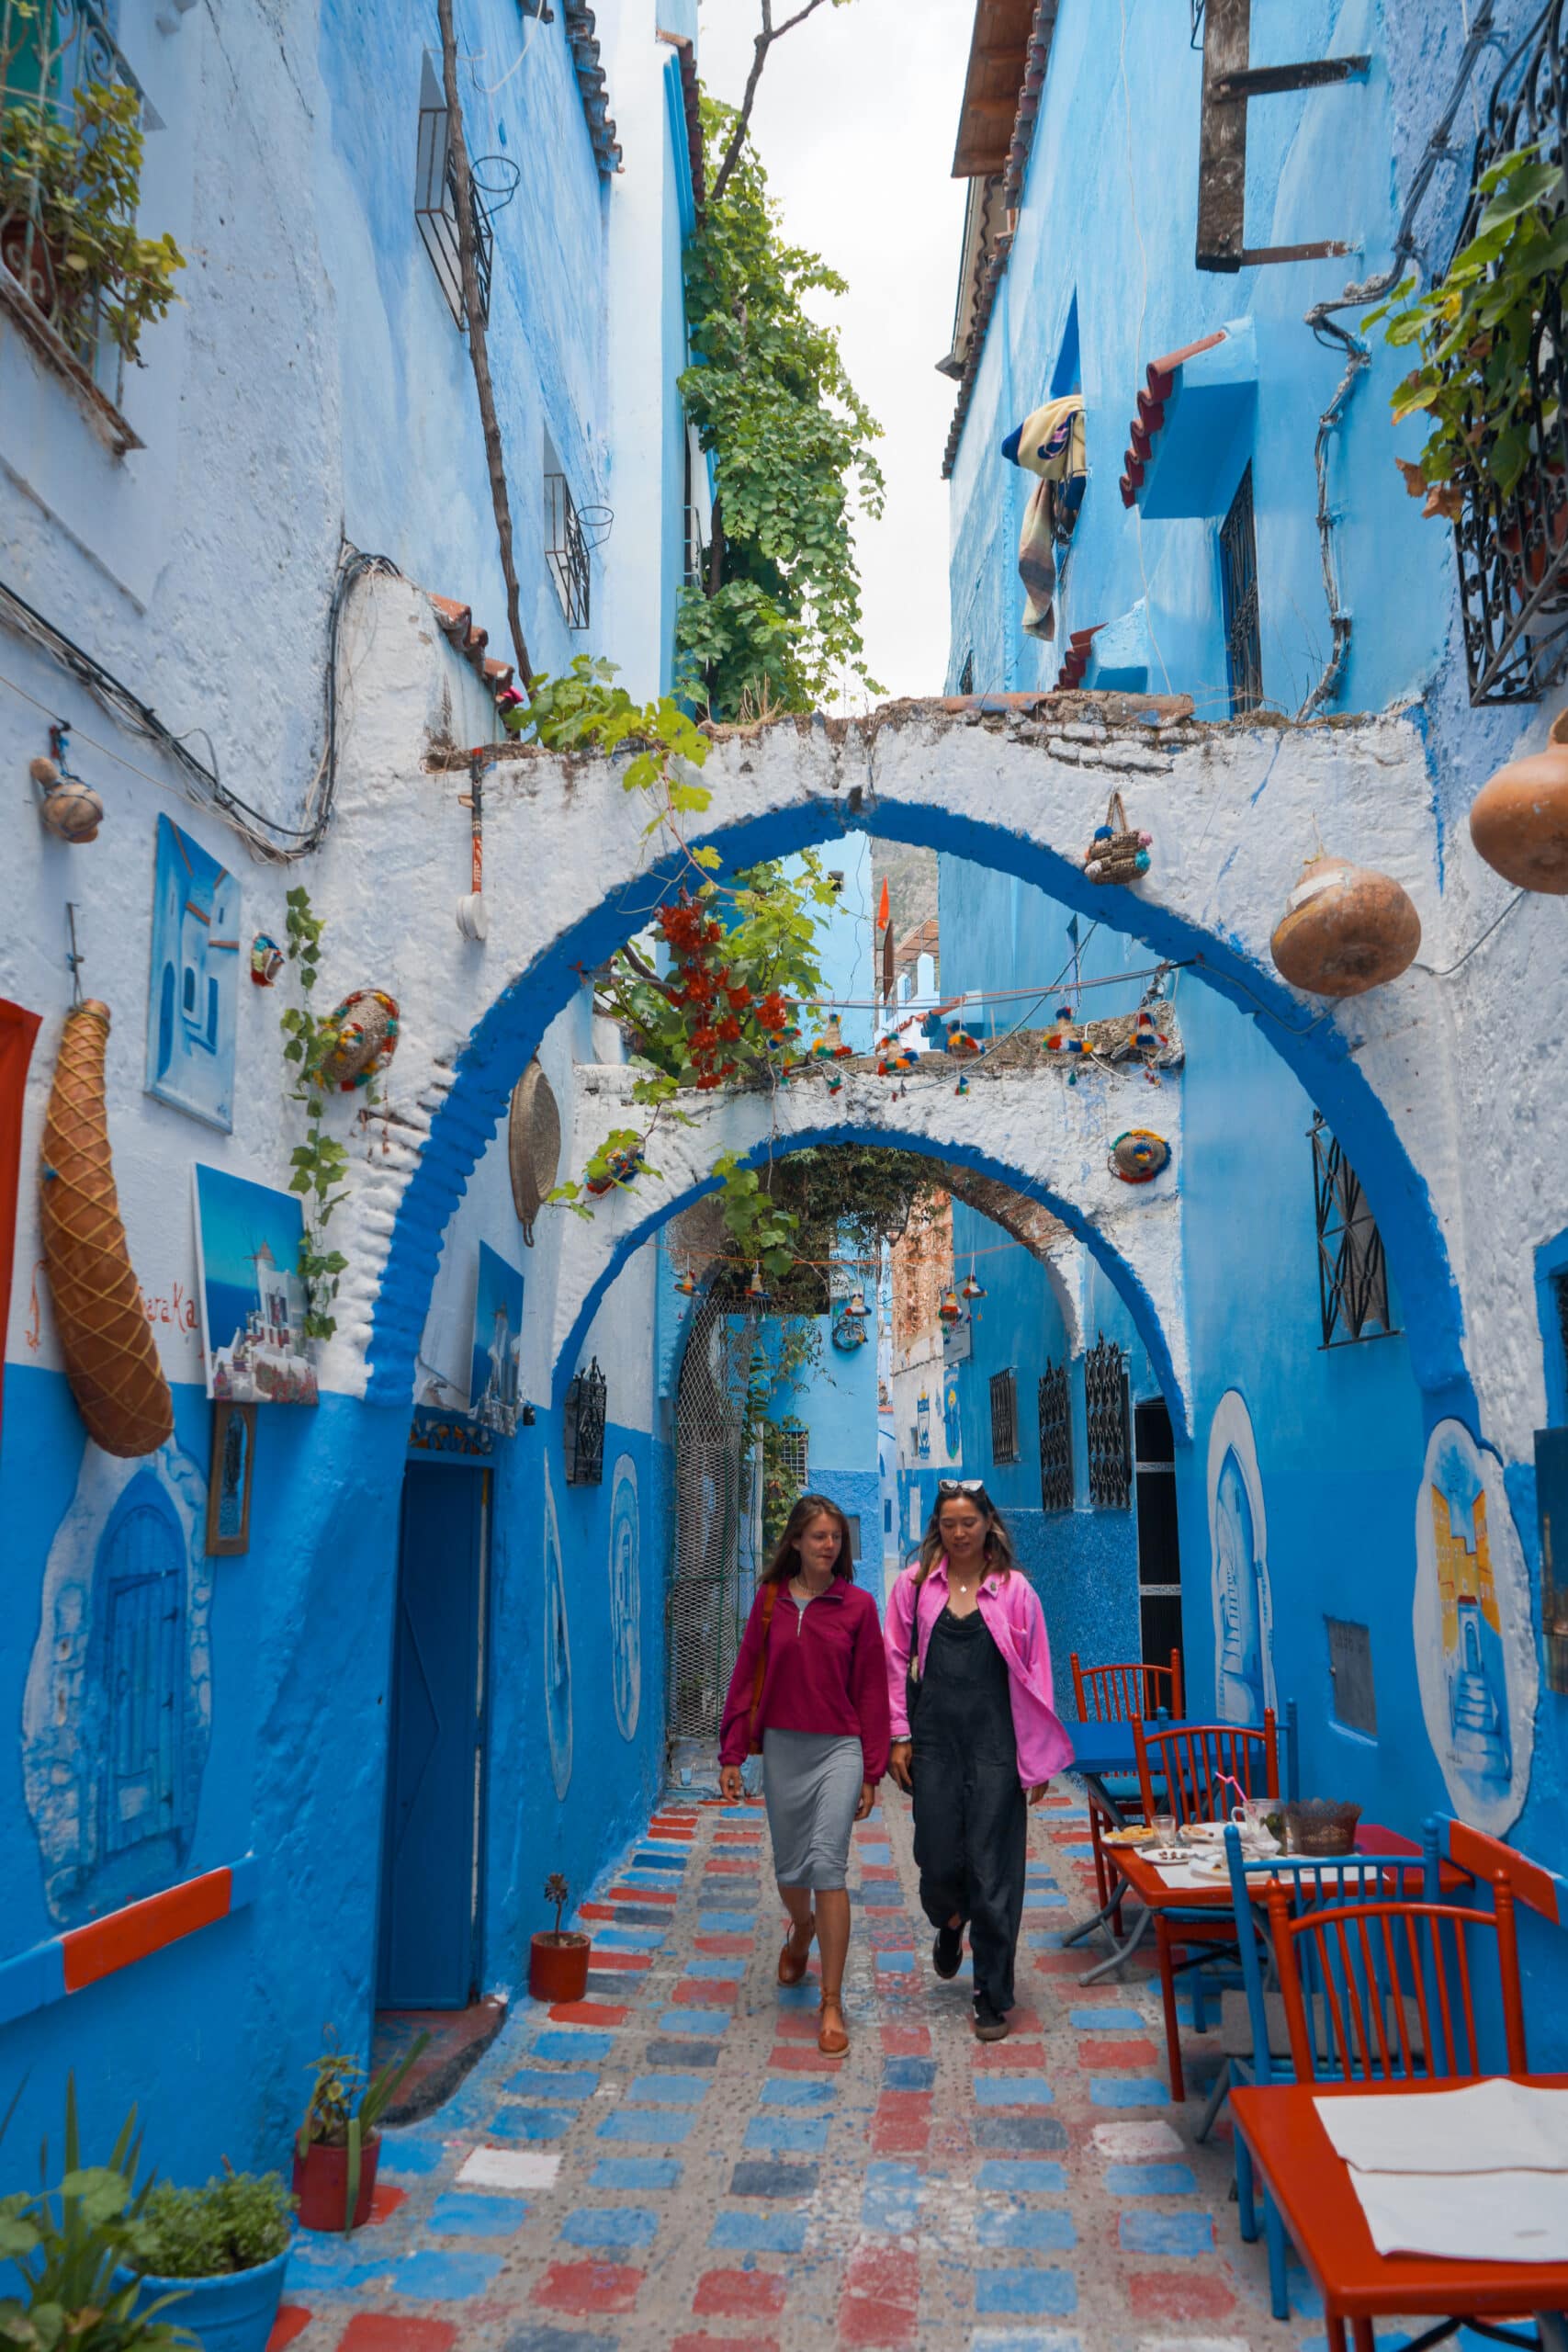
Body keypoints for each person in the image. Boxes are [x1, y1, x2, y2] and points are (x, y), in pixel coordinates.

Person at [884, 1479, 1071, 2041]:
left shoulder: (1015, 1593)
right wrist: (899, 1734)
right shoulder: (914, 1587)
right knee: (937, 1860)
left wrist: (1035, 1763)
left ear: (988, 1524)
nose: (959, 1533)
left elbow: (1038, 1677)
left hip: (997, 1748)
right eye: (948, 1524)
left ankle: (990, 1993)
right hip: (935, 1742)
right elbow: (894, 1661)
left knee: (996, 1873)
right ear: (936, 1529)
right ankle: (949, 1920)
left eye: (969, 1522)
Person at [719, 1495, 890, 2057]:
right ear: (795, 1541)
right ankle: (802, 1927)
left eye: (836, 1538)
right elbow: (745, 1674)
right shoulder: (768, 1602)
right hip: (783, 1749)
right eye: (818, 1536)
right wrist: (731, 1754)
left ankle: (833, 2002)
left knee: (827, 1866)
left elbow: (870, 1690)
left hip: (838, 1748)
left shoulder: (859, 1606)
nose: (829, 1546)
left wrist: (871, 1768)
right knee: (790, 1869)